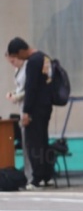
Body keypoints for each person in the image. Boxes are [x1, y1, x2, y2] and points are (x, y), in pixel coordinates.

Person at [6, 38, 54, 189]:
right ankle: (47, 176)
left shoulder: (32, 62)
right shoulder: (45, 57)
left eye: (17, 56)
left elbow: (31, 88)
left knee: (33, 143)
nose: (19, 59)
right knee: (43, 141)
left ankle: (36, 178)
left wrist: (26, 111)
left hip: (35, 108)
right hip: (46, 106)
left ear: (21, 51)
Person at [5, 52, 33, 184]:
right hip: (21, 107)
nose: (12, 64)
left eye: (13, 61)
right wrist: (14, 94)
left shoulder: (28, 67)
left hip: (29, 107)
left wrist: (18, 96)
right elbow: (19, 87)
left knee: (30, 143)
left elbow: (29, 89)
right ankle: (27, 175)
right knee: (25, 142)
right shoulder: (18, 70)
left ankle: (33, 175)